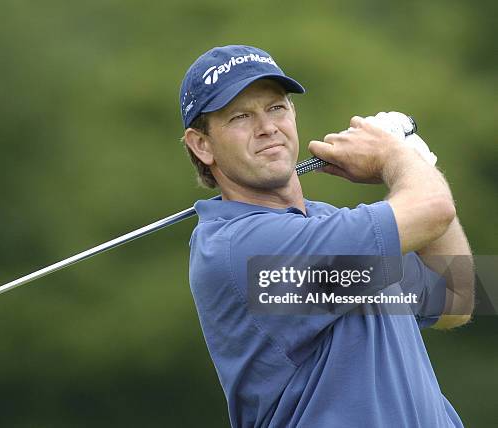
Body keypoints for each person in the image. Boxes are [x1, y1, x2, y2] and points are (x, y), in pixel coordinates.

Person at [179, 45, 474, 427]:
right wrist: (396, 159)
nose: (267, 127)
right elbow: (433, 209)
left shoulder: (325, 226)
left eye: (276, 107)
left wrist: (415, 162)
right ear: (202, 145)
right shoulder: (243, 249)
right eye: (240, 117)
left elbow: (457, 297)